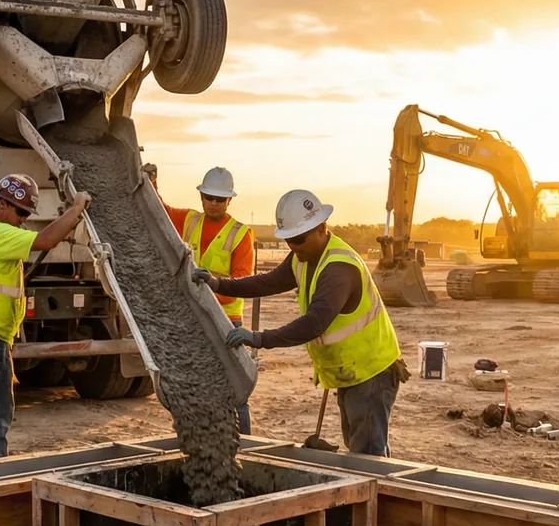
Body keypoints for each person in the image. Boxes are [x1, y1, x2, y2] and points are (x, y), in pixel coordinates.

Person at [195, 189, 404, 455]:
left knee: (368, 456)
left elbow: (313, 323)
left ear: (321, 228)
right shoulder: (303, 257)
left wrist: (259, 338)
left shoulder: (339, 268)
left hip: (371, 371)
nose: (294, 246)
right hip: (350, 371)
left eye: (299, 239)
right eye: (288, 240)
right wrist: (218, 283)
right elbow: (268, 282)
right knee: (360, 449)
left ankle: (380, 496)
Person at [0, 174, 89, 463]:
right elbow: (46, 240)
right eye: (21, 212)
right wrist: (75, 210)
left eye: (27, 213)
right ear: (2, 204)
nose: (23, 220)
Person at [152, 164, 257, 431]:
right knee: (196, 385)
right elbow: (159, 209)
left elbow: (243, 280)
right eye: (209, 197)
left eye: (219, 199)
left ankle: (242, 441)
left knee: (235, 387)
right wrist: (151, 182)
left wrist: (209, 287)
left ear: (229, 200)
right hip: (193, 319)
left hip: (227, 322)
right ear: (201, 197)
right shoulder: (189, 220)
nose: (213, 203)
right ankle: (202, 437)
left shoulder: (240, 234)